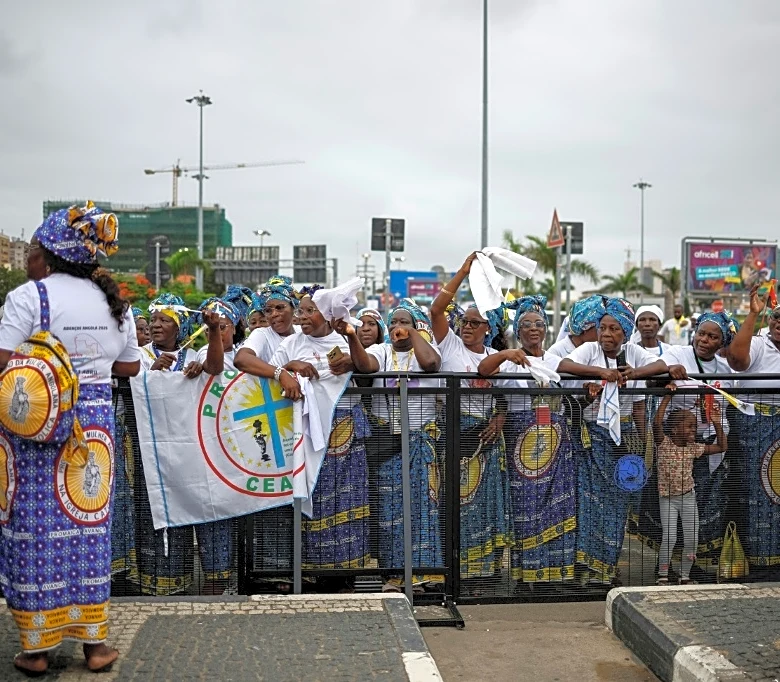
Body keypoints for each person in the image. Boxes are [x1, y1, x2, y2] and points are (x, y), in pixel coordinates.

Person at [0, 202, 139, 674]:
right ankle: (95, 646)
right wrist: (89, 365)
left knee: (35, 532)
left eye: (33, 248)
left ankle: (37, 649)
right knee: (88, 530)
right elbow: (131, 366)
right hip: (95, 425)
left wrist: (52, 366)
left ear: (49, 252)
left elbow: (3, 360)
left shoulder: (30, 298)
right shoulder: (115, 302)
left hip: (37, 423)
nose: (27, 257)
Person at [557, 298, 677, 585]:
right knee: (588, 500)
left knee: (616, 503)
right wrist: (600, 373)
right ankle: (584, 569)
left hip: (621, 438)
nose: (607, 335)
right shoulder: (589, 349)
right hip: (591, 435)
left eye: (614, 330)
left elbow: (664, 364)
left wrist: (633, 373)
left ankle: (606, 567)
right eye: (603, 328)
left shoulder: (633, 353)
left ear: (625, 332)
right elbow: (562, 363)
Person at [478, 296, 578, 586]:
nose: (533, 329)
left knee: (558, 505)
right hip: (521, 444)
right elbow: (485, 372)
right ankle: (527, 574)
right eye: (525, 325)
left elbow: (578, 378)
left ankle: (555, 574)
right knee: (527, 506)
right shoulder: (511, 361)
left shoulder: (555, 360)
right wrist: (506, 355)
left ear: (546, 328)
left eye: (538, 324)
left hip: (556, 441)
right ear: (517, 331)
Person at [270, 286, 369, 573]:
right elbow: (269, 371)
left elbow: (368, 367)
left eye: (309, 310)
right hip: (306, 434)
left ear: (326, 314)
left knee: (346, 500)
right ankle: (311, 572)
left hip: (345, 432)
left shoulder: (346, 340)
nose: (301, 317)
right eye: (300, 310)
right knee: (314, 494)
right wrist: (289, 366)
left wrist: (352, 355)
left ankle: (348, 574)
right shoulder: (291, 344)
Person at [342, 299, 442, 573]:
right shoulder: (382, 350)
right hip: (388, 444)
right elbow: (365, 365)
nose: (397, 327)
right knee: (390, 508)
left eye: (404, 322)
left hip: (420, 444)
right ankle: (394, 573)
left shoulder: (427, 351)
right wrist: (352, 338)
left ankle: (425, 574)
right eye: (394, 322)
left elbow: (431, 364)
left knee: (423, 508)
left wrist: (415, 336)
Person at [430, 253, 509, 582]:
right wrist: (462, 272)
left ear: (488, 328)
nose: (467, 327)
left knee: (480, 503)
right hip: (449, 433)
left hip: (483, 440)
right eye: (464, 321)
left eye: (475, 323)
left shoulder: (495, 356)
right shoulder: (448, 345)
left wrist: (499, 419)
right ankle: (451, 572)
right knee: (450, 503)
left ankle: (481, 574)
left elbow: (502, 399)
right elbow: (436, 310)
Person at [134, 293, 217, 596]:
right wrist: (150, 374)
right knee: (155, 511)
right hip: (151, 449)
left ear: (179, 327)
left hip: (187, 449)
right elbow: (129, 388)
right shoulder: (140, 355)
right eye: (153, 320)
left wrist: (197, 371)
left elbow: (214, 373)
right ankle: (157, 582)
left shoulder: (194, 354)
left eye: (164, 321)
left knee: (187, 508)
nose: (155, 325)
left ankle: (194, 579)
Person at [659, 311, 737, 572]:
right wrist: (669, 372)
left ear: (721, 342)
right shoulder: (678, 354)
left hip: (705, 442)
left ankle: (688, 566)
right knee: (672, 507)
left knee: (699, 502)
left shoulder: (725, 370)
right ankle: (666, 563)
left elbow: (724, 409)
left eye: (712, 336)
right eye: (701, 333)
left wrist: (717, 429)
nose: (704, 339)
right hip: (677, 442)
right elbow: (658, 374)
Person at [725, 285, 780, 570]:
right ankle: (760, 560)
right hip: (756, 426)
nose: (779, 323)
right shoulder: (759, 343)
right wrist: (752, 314)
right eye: (776, 318)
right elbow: (736, 360)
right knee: (757, 493)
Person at [653, 395, 727, 585]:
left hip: (687, 498)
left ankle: (685, 576)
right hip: (667, 499)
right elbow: (657, 422)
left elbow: (721, 446)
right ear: (675, 429)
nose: (694, 430)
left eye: (695, 426)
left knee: (691, 539)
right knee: (669, 537)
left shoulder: (694, 448)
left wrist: (717, 423)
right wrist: (667, 397)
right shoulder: (663, 443)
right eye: (689, 426)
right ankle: (663, 576)